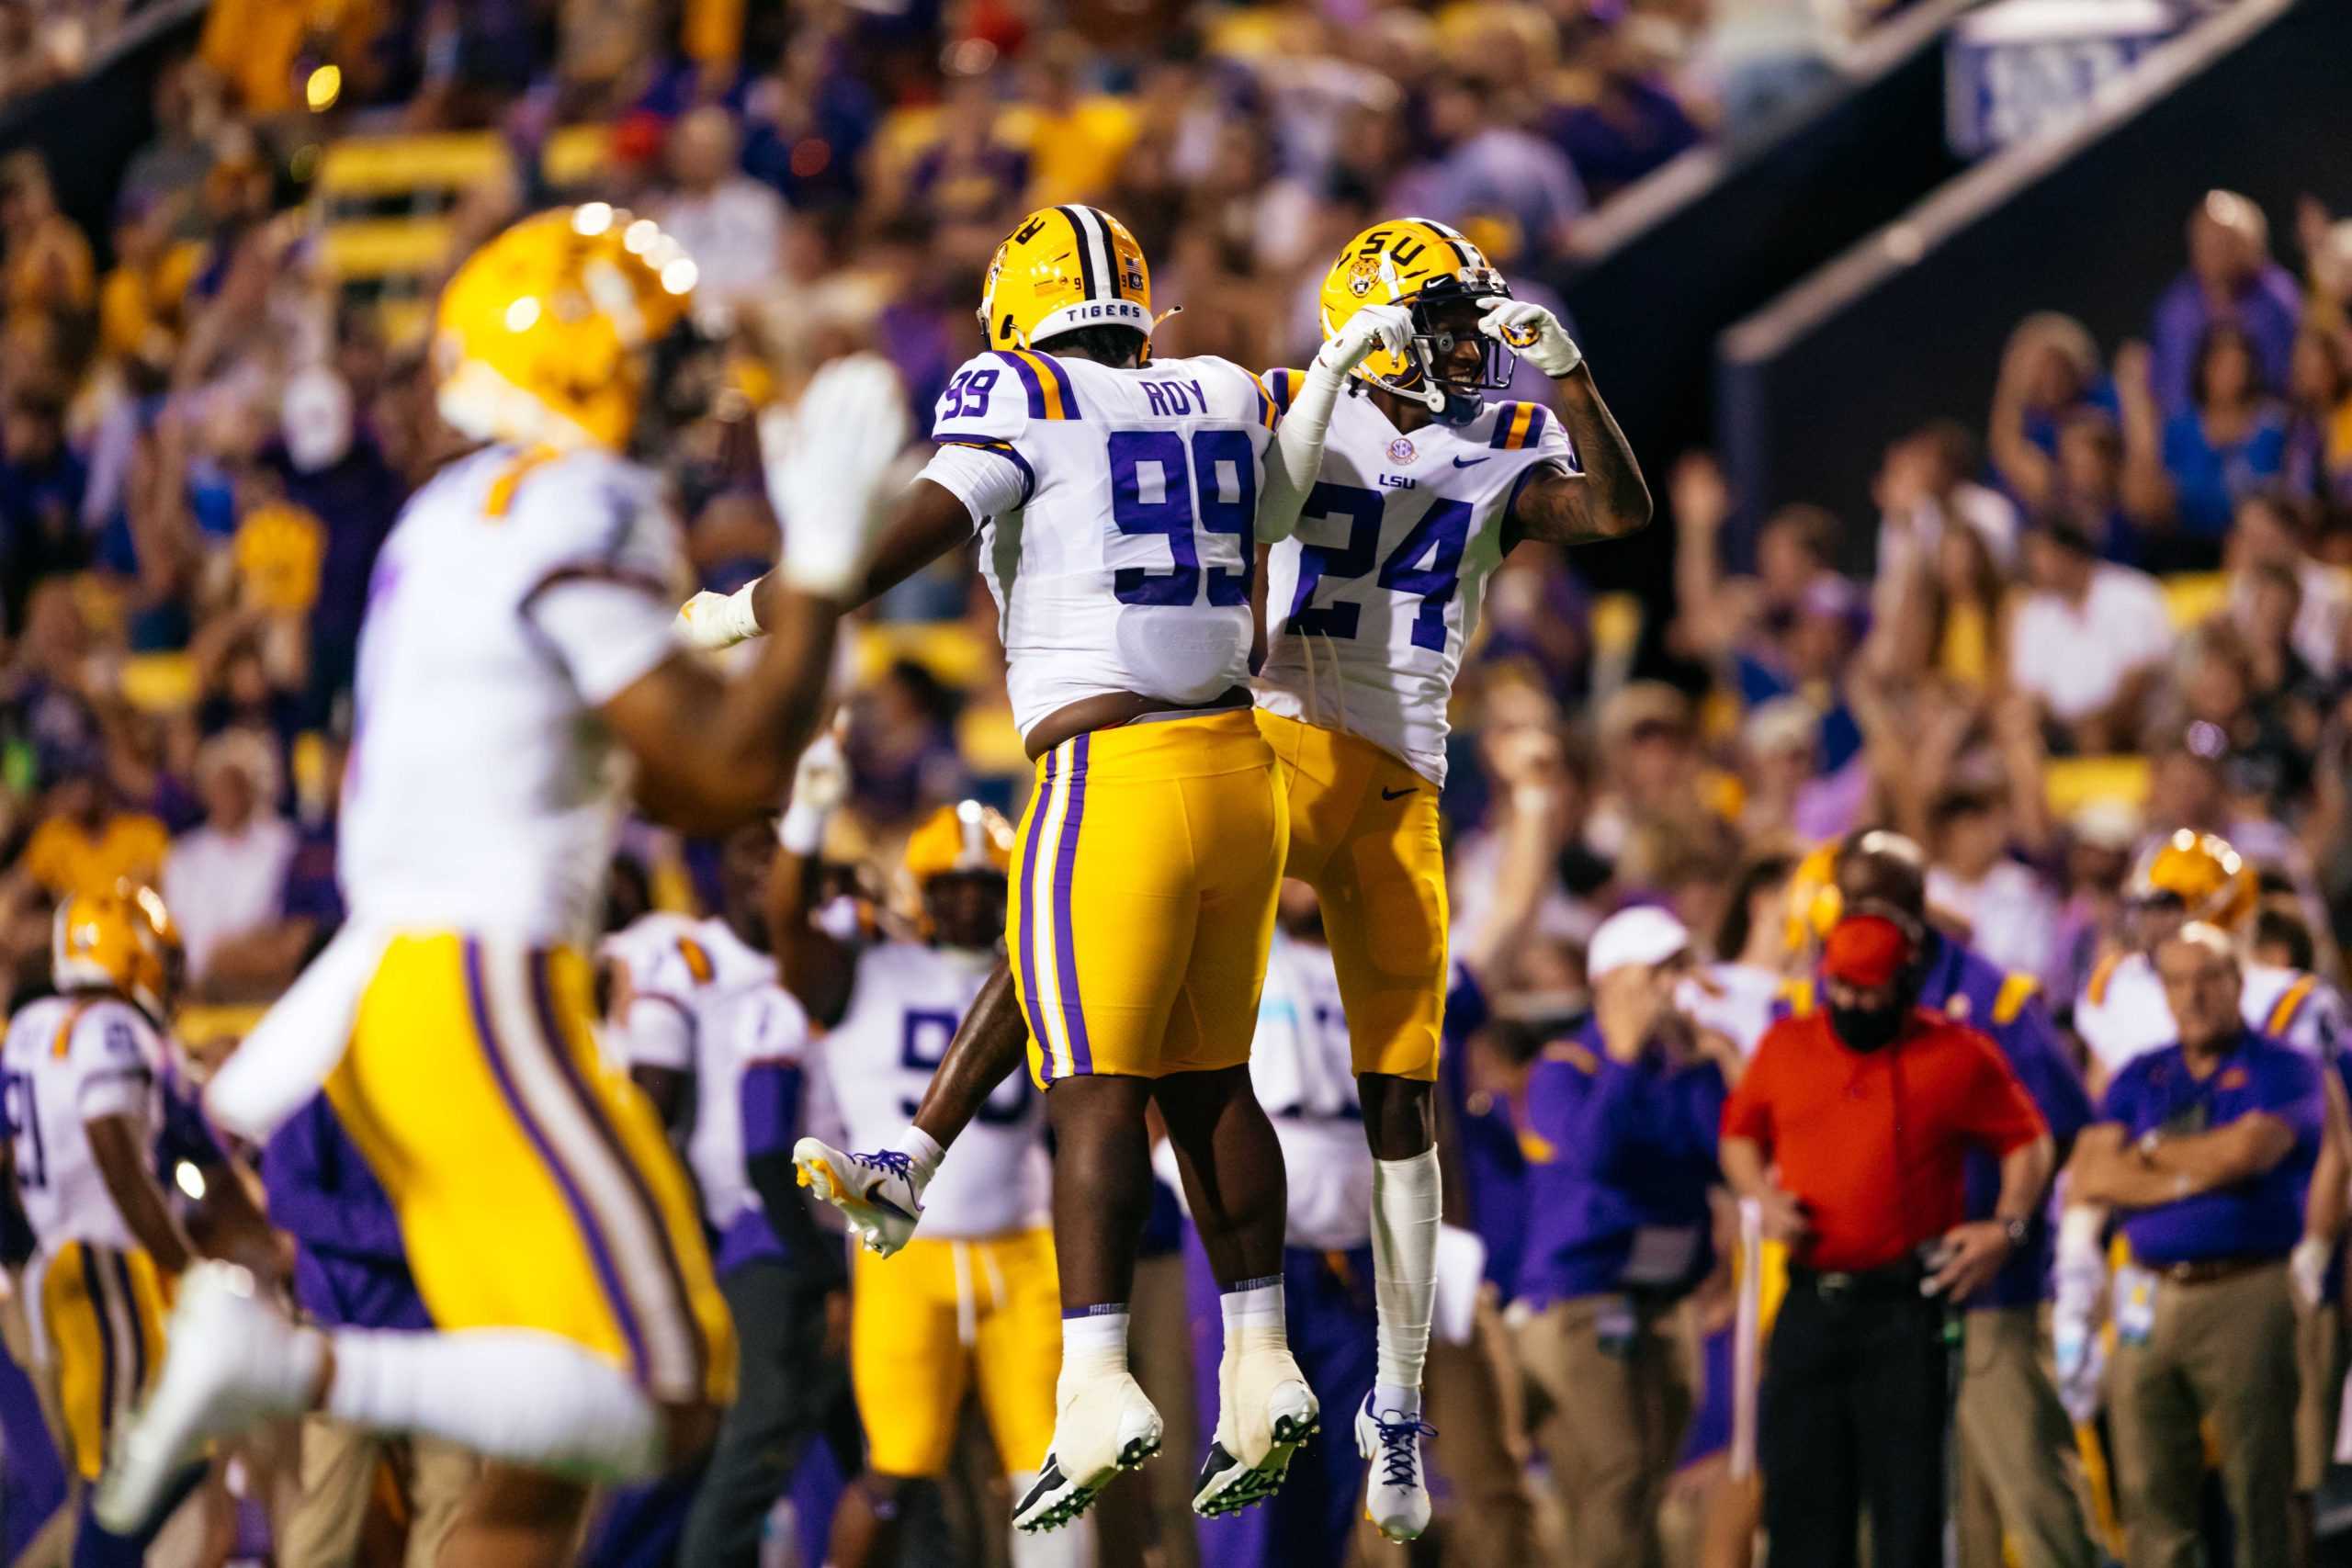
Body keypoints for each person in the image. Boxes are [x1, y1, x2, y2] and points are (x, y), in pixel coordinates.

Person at [736, 212, 1652, 1540]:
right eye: (1446, 318)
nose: (1466, 345)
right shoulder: (1265, 395)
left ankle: (1383, 1406)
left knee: (1303, 1067)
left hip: (1321, 752)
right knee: (1150, 1008)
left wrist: (1563, 377)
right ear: (1378, 321)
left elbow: (1610, 507)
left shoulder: (1419, 427)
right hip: (1282, 746)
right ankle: (1210, 1328)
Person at [95, 205, 908, 1568]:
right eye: (661, 357)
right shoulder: (580, 498)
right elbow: (723, 771)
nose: (692, 392)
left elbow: (626, 767)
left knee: (541, 1467)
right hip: (482, 980)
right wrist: (820, 569)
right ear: (584, 363)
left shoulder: (457, 511)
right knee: (662, 1385)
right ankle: (295, 1367)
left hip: (397, 991)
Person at [692, 203, 1393, 1532]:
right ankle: (1259, 1356)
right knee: (1207, 1079)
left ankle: (1092, 1379)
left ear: (1019, 309)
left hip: (1107, 761)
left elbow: (929, 519)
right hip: (1238, 767)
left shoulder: (1020, 386)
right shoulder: (1225, 387)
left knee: (1093, 1085)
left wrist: (773, 598)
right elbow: (1294, 495)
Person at [768, 790, 1073, 1568]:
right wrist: (804, 831)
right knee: (895, 1472)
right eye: (953, 884)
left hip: (1024, 1246)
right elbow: (787, 935)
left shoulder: (1040, 970)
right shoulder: (865, 967)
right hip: (906, 1256)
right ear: (923, 890)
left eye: (986, 885)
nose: (971, 900)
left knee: (1056, 1470)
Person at [1784, 832, 2097, 1568]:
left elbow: (2061, 1126)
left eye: (1866, 898)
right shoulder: (1825, 990)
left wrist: (2007, 1228)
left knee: (2030, 1486)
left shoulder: (1995, 998)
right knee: (1918, 1508)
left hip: (1982, 1287)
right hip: (1870, 1297)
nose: (1851, 914)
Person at [1721, 904, 2054, 1568]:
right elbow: (1739, 1133)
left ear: (1903, 984)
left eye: (1867, 989)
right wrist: (1761, 1194)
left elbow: (2030, 1140)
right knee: (1801, 1513)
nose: (1849, 1001)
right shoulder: (1787, 1045)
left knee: (1910, 1516)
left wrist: (2007, 1227)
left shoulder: (1955, 1052)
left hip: (1908, 1307)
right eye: (1839, 985)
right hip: (1812, 1299)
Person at [2, 886, 273, 1565]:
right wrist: (189, 1265)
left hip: (52, 1268)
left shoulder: (29, 1028)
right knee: (139, 1466)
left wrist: (28, 1245)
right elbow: (116, 1152)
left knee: (120, 1466)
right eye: (158, 955)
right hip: (108, 1263)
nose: (168, 973)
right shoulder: (116, 1030)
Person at [606, 819, 852, 1568]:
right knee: (736, 1439)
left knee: (860, 1440)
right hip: (740, 1233)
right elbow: (653, 1115)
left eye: (780, 854)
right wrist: (686, 1242)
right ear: (714, 866)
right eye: (750, 852)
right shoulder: (685, 960)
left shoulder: (832, 953)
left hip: (843, 1225)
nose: (767, 869)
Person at [2063, 922, 2323, 1568]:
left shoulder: (2284, 1066)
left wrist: (2147, 1160)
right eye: (2177, 981)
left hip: (2245, 1288)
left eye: (2209, 978)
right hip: (2148, 1292)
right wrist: (2197, 1169)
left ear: (2238, 982)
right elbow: (2092, 1173)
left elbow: (2253, 1148)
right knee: (2149, 1489)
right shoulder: (2138, 1075)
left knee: (2262, 1484)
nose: (2194, 996)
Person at [1515, 906, 1729, 1568]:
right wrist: (1626, 1053)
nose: (1674, 985)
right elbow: (1595, 1152)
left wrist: (1707, 1063)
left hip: (1666, 1299)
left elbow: (1725, 1155)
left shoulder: (1685, 1066)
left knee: (1632, 1481)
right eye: (1658, 971)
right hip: (1583, 1299)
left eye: (1679, 968)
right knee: (1619, 1469)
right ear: (1612, 980)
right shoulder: (1566, 1065)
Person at [264, 1094, 481, 1568]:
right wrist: (403, 1234)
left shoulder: (437, 1064)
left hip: (437, 1325)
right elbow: (286, 1197)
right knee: (326, 1519)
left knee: (451, 1509)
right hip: (346, 1331)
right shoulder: (321, 1076)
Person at [2075, 830, 2345, 1096]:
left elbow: (2307, 1107)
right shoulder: (2119, 981)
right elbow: (2102, 1101)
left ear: (2218, 908)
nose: (2150, 922)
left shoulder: (2284, 995)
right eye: (2146, 907)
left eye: (2166, 906)